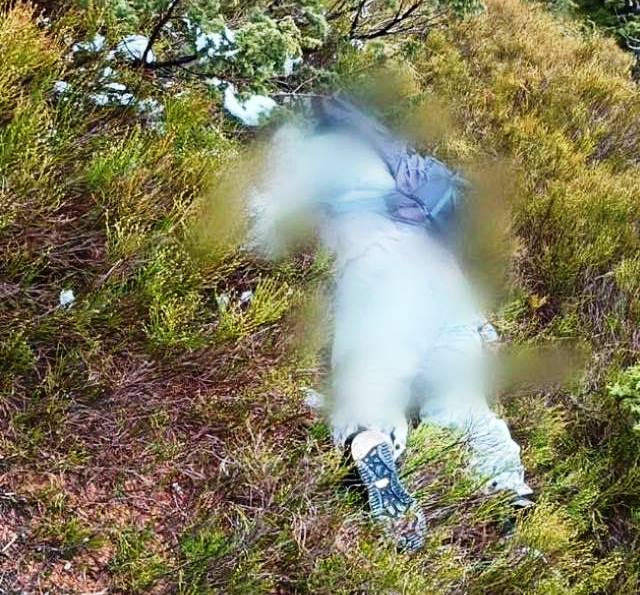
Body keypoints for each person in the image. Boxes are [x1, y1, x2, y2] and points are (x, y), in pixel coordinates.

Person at [248, 99, 533, 552]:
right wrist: (484, 331)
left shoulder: (313, 151)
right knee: (460, 399)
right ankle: (503, 486)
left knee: (373, 373)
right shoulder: (396, 162)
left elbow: (268, 224)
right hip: (450, 288)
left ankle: (369, 438)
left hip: (384, 268)